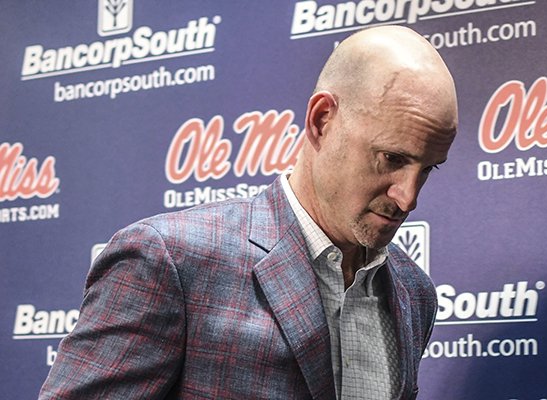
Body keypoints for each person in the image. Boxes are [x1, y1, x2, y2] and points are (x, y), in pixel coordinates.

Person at [39, 25, 458, 400]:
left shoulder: (412, 291)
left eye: (429, 169)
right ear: (322, 120)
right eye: (391, 158)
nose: (408, 198)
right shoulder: (170, 260)